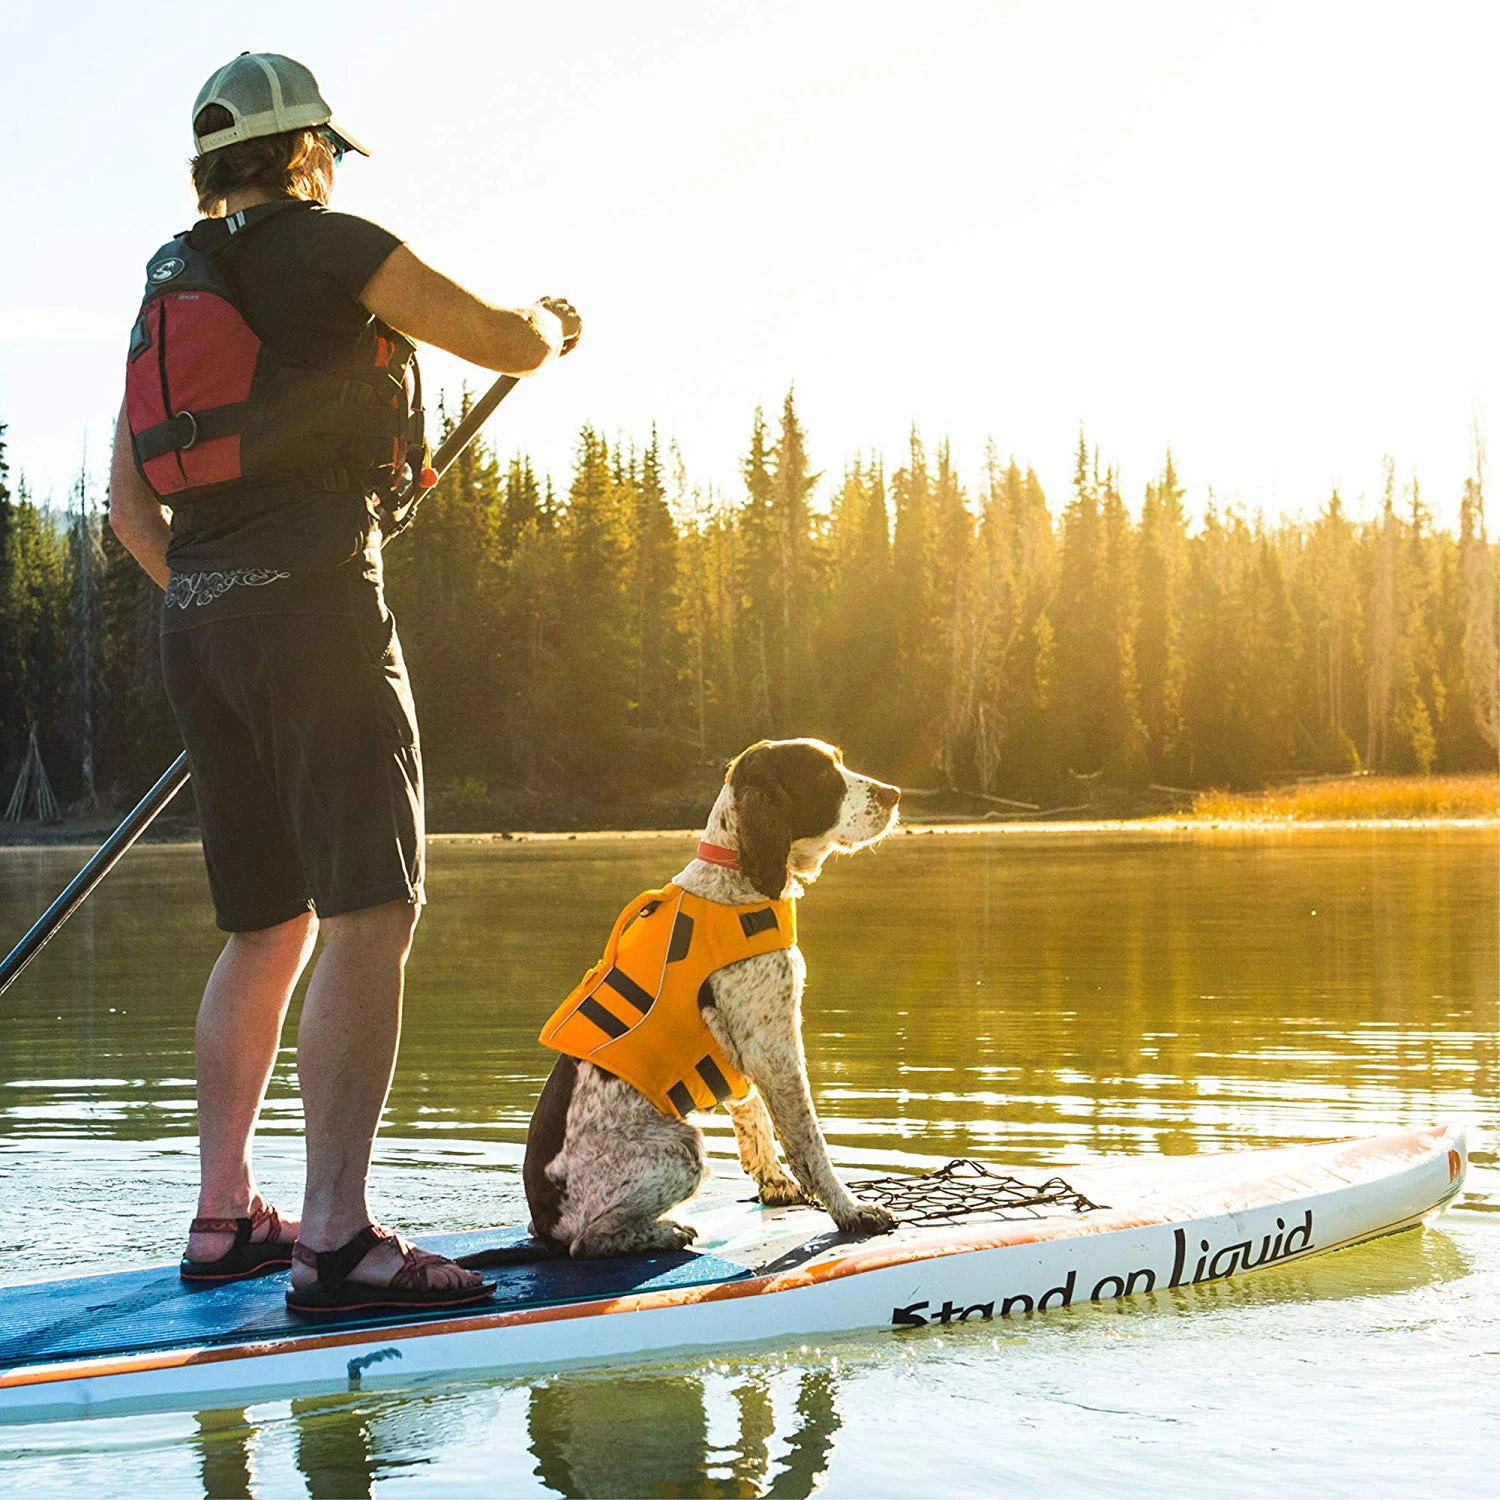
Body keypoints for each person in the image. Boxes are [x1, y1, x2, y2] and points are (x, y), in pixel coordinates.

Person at [108, 52, 581, 1313]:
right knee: (372, 909)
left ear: (214, 166)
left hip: (197, 625)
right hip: (313, 614)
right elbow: (497, 342)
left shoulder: (173, 288)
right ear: (305, 150)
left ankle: (225, 1219)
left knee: (266, 923)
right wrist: (548, 326)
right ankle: (334, 1242)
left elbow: (125, 508)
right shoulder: (334, 245)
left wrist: (216, 599)